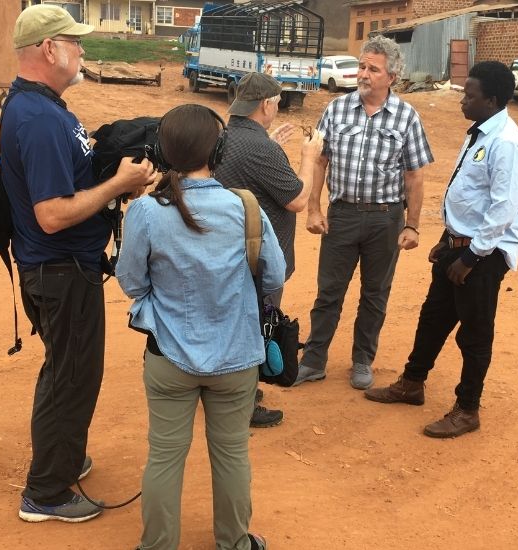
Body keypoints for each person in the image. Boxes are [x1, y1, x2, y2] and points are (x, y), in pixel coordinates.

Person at [1, 5, 156, 523]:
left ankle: (62, 457)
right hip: (61, 268)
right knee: (71, 378)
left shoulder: (43, 107)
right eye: (76, 41)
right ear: (50, 49)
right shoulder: (41, 118)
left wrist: (115, 170)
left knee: (67, 373)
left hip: (61, 269)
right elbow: (51, 214)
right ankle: (46, 493)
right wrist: (118, 186)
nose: (83, 50)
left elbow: (73, 178)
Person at [116, 104, 285, 550]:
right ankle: (235, 542)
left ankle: (157, 545)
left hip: (168, 357)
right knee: (232, 454)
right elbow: (273, 277)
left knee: (165, 457)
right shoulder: (245, 208)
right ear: (220, 148)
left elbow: (132, 282)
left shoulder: (146, 212)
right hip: (236, 357)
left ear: (162, 151)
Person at [363, 61, 518, 438]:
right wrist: (448, 240)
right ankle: (412, 383)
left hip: (482, 257)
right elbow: (471, 197)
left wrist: (472, 257)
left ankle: (468, 408)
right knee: (433, 317)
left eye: (470, 96)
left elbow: (505, 207)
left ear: (491, 99)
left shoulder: (505, 143)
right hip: (459, 246)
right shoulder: (482, 133)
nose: (463, 101)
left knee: (474, 334)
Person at [294, 36, 433, 390]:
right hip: (341, 216)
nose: (364, 74)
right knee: (329, 292)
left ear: (392, 77)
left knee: (375, 295)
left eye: (373, 69)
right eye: (362, 66)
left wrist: (412, 226)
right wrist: (314, 208)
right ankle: (313, 360)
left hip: (385, 220)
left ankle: (362, 361)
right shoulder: (336, 110)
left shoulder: (406, 117)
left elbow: (415, 176)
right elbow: (320, 161)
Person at [213, 72, 323, 428]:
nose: (277, 108)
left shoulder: (226, 136)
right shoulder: (258, 147)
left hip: (229, 256)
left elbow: (248, 170)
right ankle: (242, 404)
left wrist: (271, 145)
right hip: (258, 260)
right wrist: (308, 155)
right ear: (266, 104)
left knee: (234, 326)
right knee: (253, 330)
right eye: (276, 103)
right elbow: (298, 199)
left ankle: (230, 393)